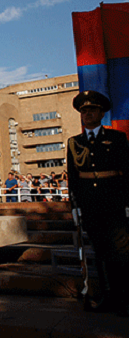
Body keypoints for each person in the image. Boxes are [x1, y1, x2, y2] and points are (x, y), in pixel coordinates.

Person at [67, 90, 129, 316]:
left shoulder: (116, 138)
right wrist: (74, 207)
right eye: (83, 111)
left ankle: (124, 299)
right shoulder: (74, 143)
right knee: (100, 252)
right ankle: (107, 297)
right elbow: (73, 177)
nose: (87, 114)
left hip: (113, 202)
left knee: (120, 253)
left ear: (101, 113)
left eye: (91, 110)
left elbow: (126, 172)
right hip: (90, 204)